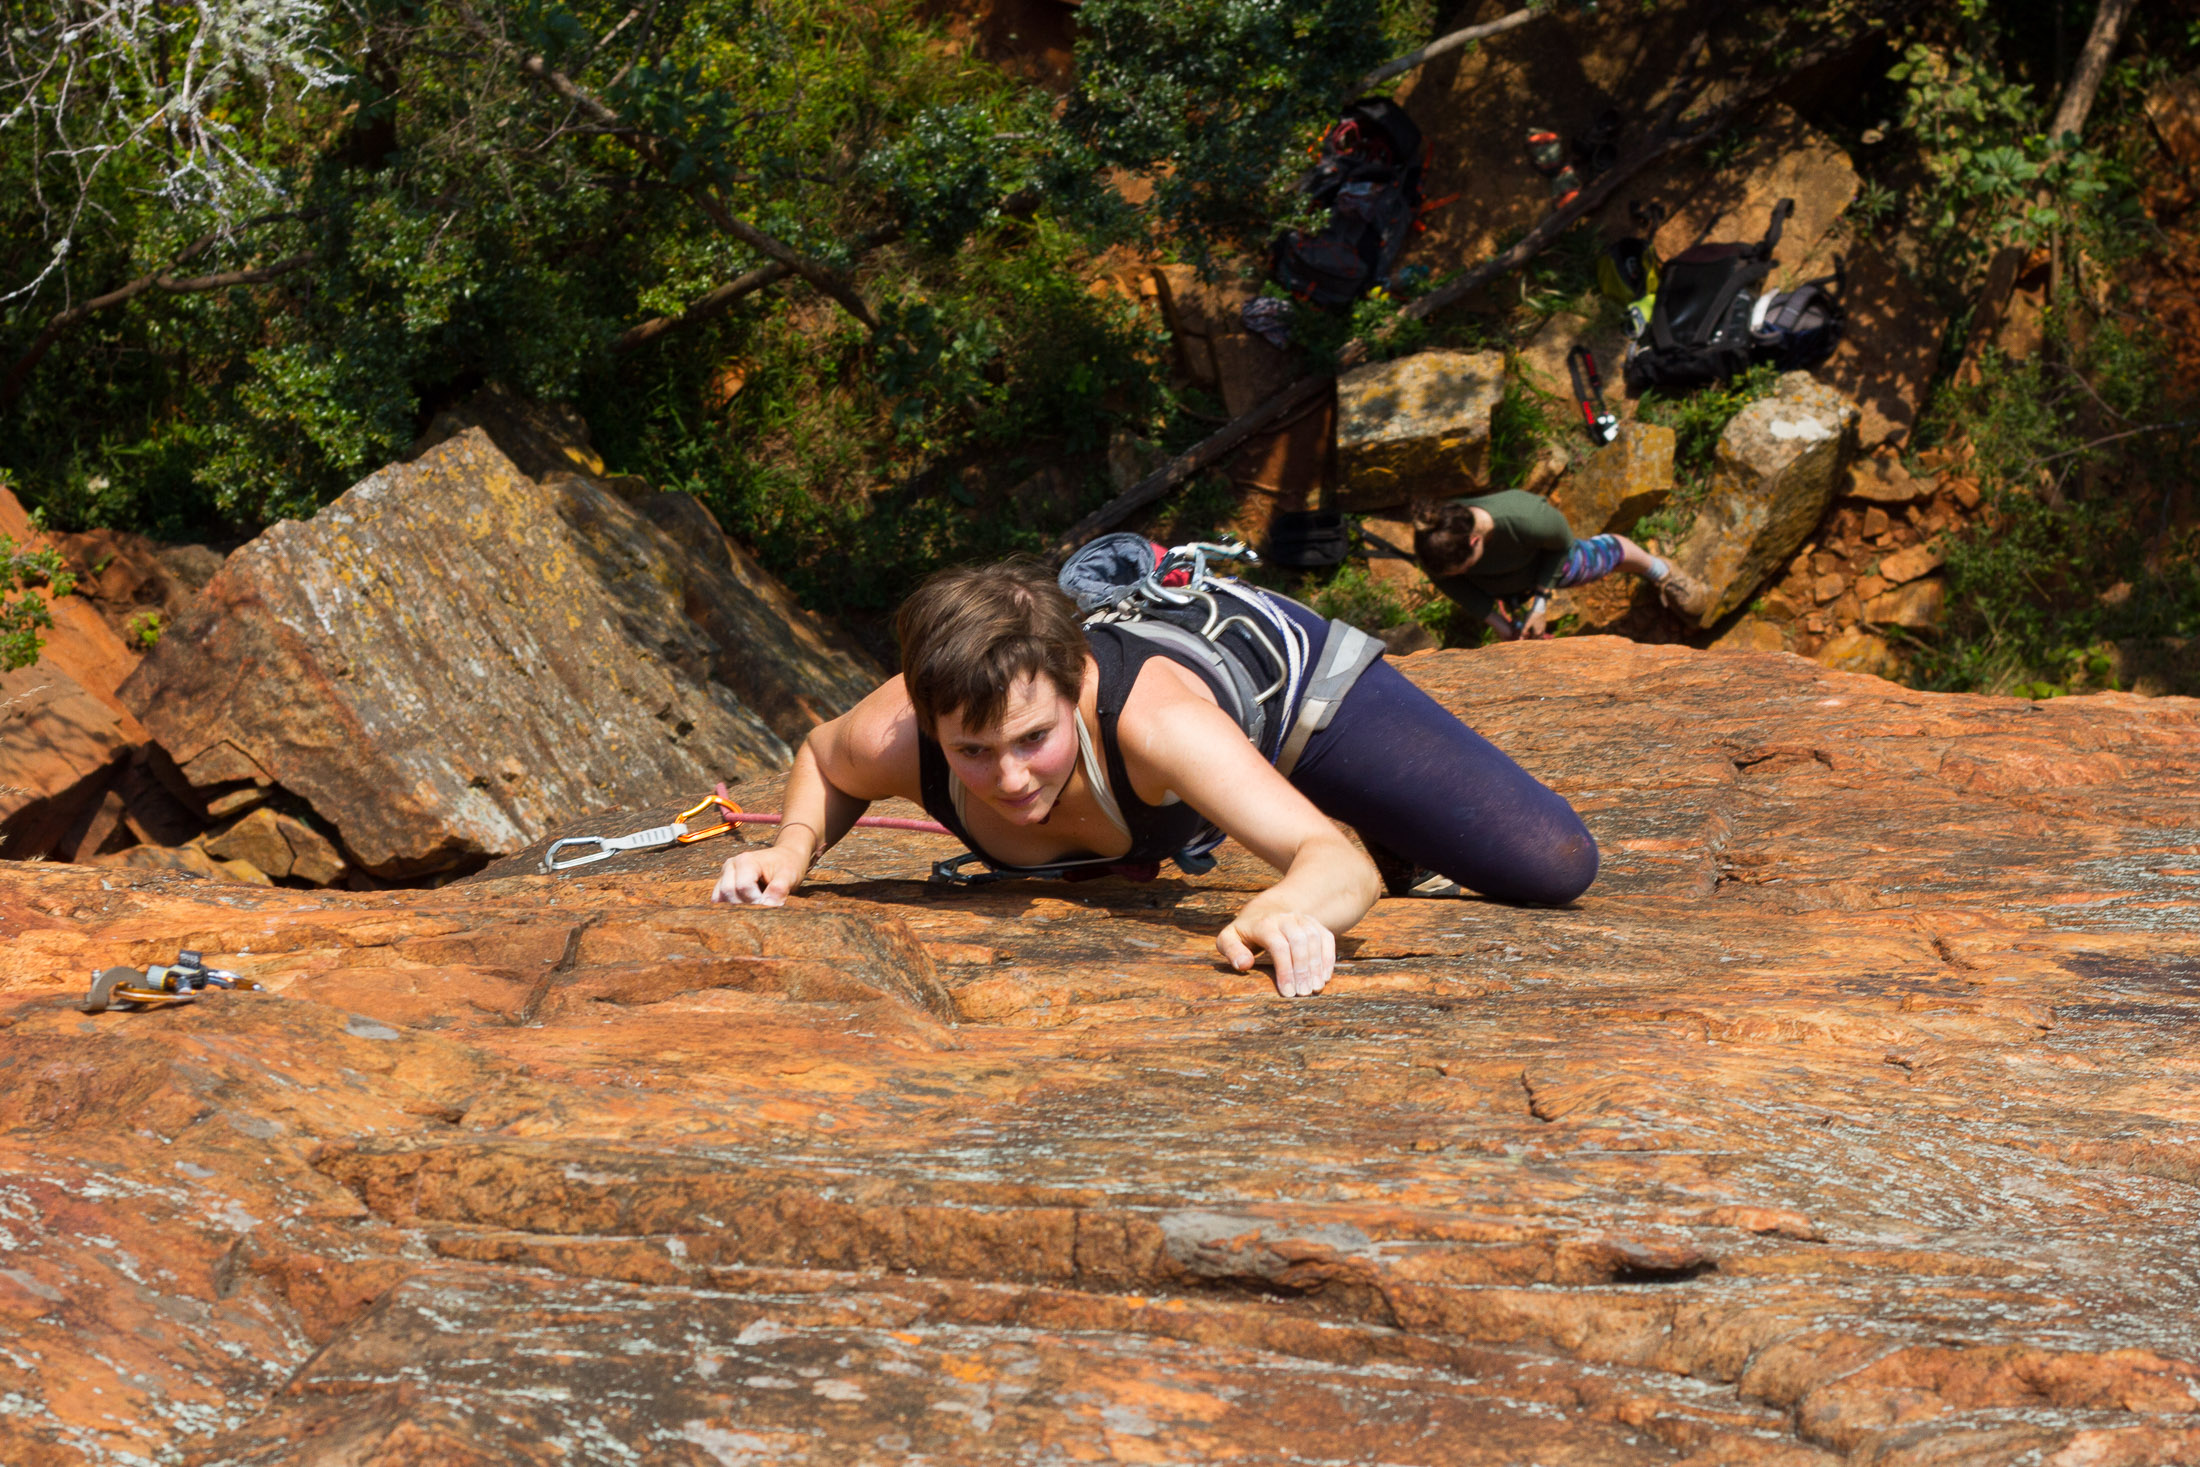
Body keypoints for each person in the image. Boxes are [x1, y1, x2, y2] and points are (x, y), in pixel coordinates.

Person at [712, 558, 1598, 998]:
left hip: (1283, 691)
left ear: (1076, 685)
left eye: (1032, 738)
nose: (1009, 777)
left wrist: (1280, 908)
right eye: (972, 751)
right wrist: (791, 850)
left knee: (1549, 860)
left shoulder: (1154, 723)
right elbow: (826, 758)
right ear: (932, 720)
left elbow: (1338, 866)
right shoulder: (900, 729)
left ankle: (1352, 788)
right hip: (1168, 764)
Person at [1413, 489, 1711, 639]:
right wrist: (1501, 625)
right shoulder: (1436, 548)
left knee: (1605, 555)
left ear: (1474, 542)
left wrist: (1541, 603)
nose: (1463, 575)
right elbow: (1452, 584)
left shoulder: (1527, 518)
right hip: (1504, 587)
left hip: (1548, 562)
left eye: (1465, 568)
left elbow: (1562, 545)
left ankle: (1659, 570)